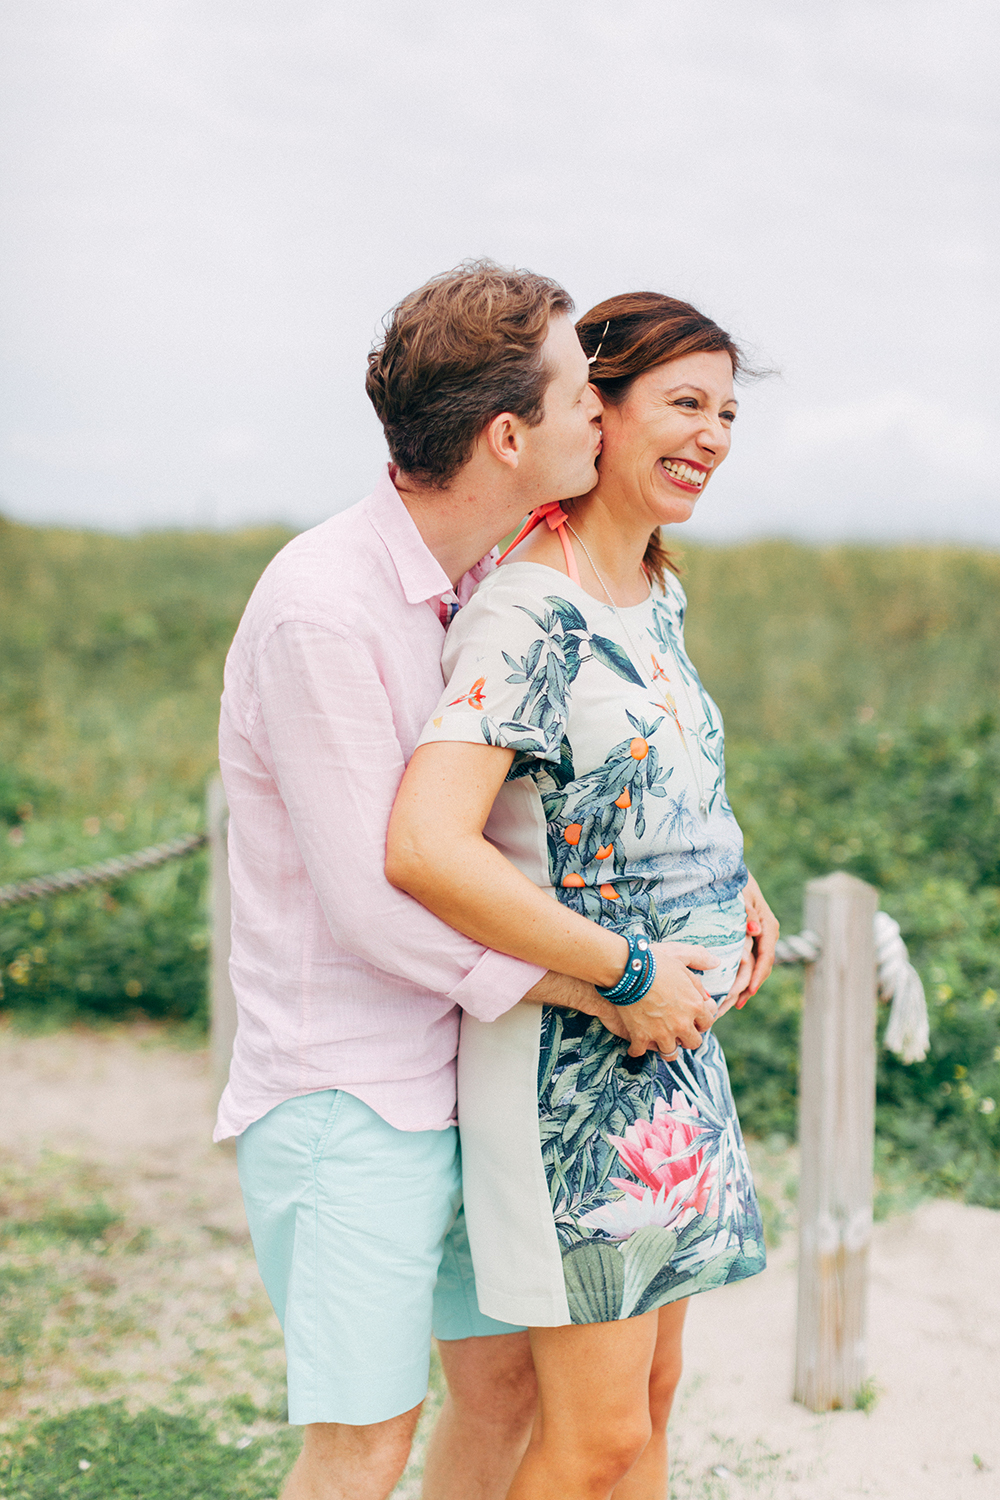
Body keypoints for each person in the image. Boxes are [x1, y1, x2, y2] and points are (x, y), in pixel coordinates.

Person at [214, 263, 746, 1500]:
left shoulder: (466, 577)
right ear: (511, 436)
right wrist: (604, 976)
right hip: (349, 1093)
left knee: (504, 1396)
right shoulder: (324, 608)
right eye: (581, 397)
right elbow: (381, 894)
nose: (598, 418)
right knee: (359, 1446)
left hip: (458, 1068)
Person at [387, 291, 778, 1499]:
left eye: (724, 410)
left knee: (650, 1409)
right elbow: (426, 846)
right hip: (574, 1062)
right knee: (595, 1438)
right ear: (592, 413)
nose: (712, 434)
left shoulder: (653, 593)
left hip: (673, 1053)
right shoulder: (528, 612)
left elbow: (641, 786)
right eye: (681, 404)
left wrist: (737, 879)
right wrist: (628, 970)